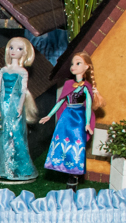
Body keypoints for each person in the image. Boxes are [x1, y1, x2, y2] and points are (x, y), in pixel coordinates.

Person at [41, 50, 102, 186]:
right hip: (67, 118)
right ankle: (66, 168)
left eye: (78, 63)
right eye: (72, 64)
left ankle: (74, 174)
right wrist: (49, 115)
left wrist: (87, 123)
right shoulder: (68, 84)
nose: (73, 66)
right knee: (63, 141)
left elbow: (88, 107)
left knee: (76, 144)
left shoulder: (86, 87)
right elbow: (60, 102)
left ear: (86, 67)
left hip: (78, 118)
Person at [0, 37, 39, 182]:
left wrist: (19, 107)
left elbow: (23, 91)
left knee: (16, 134)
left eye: (19, 48)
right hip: (3, 105)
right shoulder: (3, 70)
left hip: (14, 105)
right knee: (1, 134)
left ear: (24, 53)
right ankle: (2, 168)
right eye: (11, 47)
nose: (14, 51)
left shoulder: (23, 72)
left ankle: (19, 168)